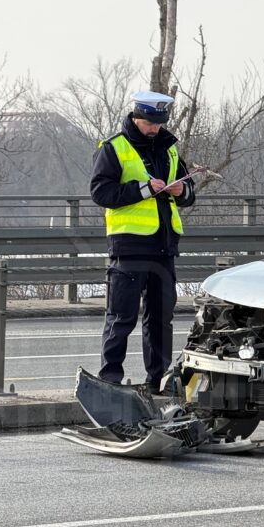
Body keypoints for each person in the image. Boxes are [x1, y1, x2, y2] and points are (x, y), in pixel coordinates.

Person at [90, 90, 195, 389]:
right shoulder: (114, 148)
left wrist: (181, 192)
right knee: (121, 319)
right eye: (149, 122)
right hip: (129, 247)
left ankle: (157, 382)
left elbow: (189, 191)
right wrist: (144, 189)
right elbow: (100, 193)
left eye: (159, 123)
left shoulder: (169, 148)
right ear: (136, 117)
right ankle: (110, 381)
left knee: (160, 321)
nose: (154, 128)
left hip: (164, 247)